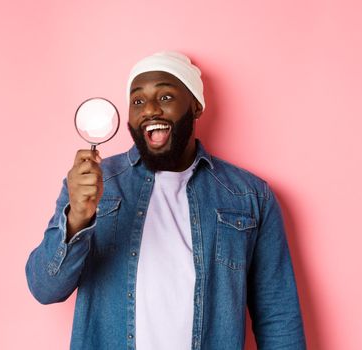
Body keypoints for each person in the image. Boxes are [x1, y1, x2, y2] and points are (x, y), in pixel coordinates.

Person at [26, 51, 306, 349]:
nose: (149, 110)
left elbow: (278, 315)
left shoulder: (250, 196)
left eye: (165, 97)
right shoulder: (93, 183)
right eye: (137, 101)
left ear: (196, 107)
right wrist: (78, 217)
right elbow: (45, 288)